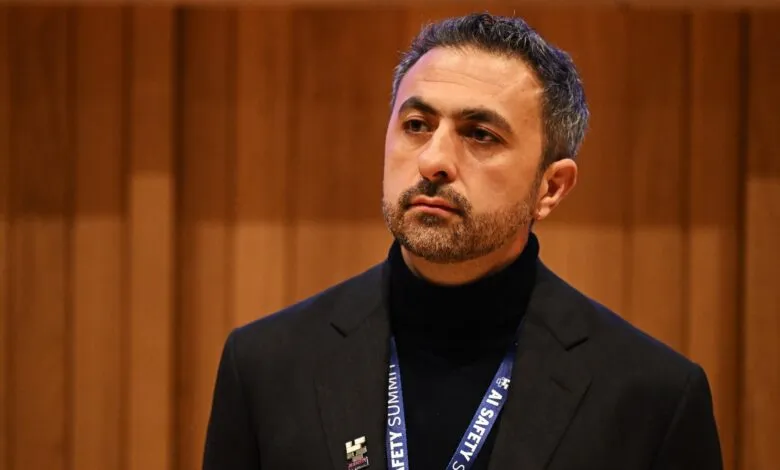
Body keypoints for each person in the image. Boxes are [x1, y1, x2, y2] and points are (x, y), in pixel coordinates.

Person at [203, 12, 723, 470]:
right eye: (416, 124)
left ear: (550, 188)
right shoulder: (266, 367)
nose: (433, 161)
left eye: (480, 135)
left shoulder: (652, 399)